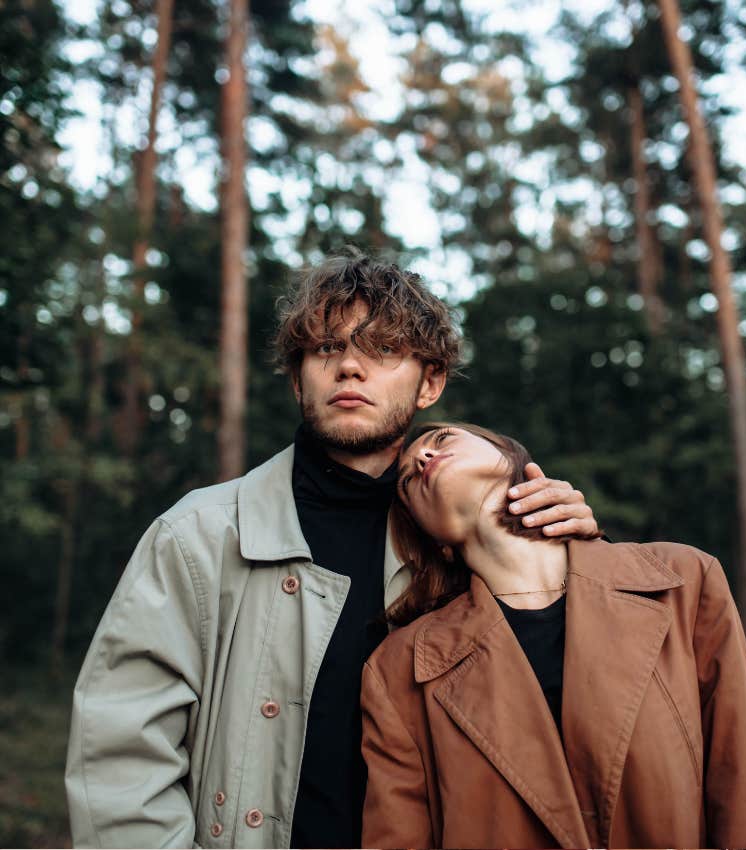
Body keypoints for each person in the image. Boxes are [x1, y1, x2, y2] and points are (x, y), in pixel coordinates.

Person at [65, 252, 600, 849]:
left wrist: (573, 555)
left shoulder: (466, 544)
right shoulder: (197, 536)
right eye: (326, 349)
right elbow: (120, 759)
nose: (350, 366)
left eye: (383, 349)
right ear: (297, 379)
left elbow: (565, 727)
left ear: (431, 383)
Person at [360, 422, 746, 849]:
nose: (422, 458)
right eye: (407, 482)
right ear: (436, 543)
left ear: (516, 461)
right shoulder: (396, 670)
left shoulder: (683, 581)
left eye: (441, 439)